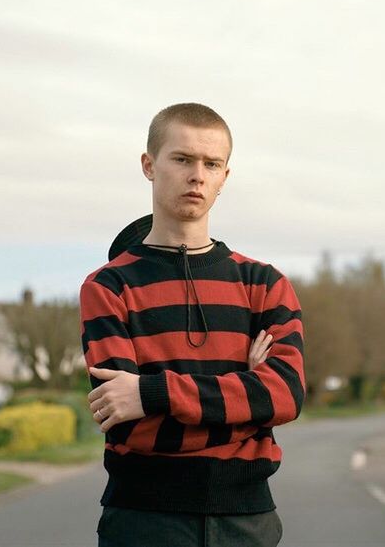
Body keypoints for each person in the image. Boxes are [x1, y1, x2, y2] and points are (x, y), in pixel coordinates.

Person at [79, 102, 305, 547]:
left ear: (224, 176)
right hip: (143, 522)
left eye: (211, 163)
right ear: (150, 165)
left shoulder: (263, 284)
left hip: (247, 522)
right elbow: (128, 425)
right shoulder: (108, 287)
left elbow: (285, 396)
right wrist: (245, 395)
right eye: (182, 159)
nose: (197, 175)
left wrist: (152, 392)